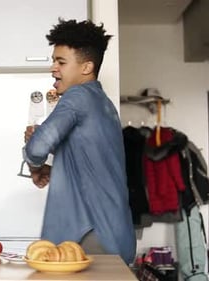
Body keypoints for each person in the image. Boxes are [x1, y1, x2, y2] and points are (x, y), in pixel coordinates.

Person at [22, 19, 136, 264]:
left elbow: (36, 148)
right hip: (114, 234)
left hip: (90, 236)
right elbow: (91, 167)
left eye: (61, 62)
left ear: (86, 67)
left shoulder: (77, 96)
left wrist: (34, 162)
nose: (53, 69)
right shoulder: (104, 105)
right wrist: (50, 169)